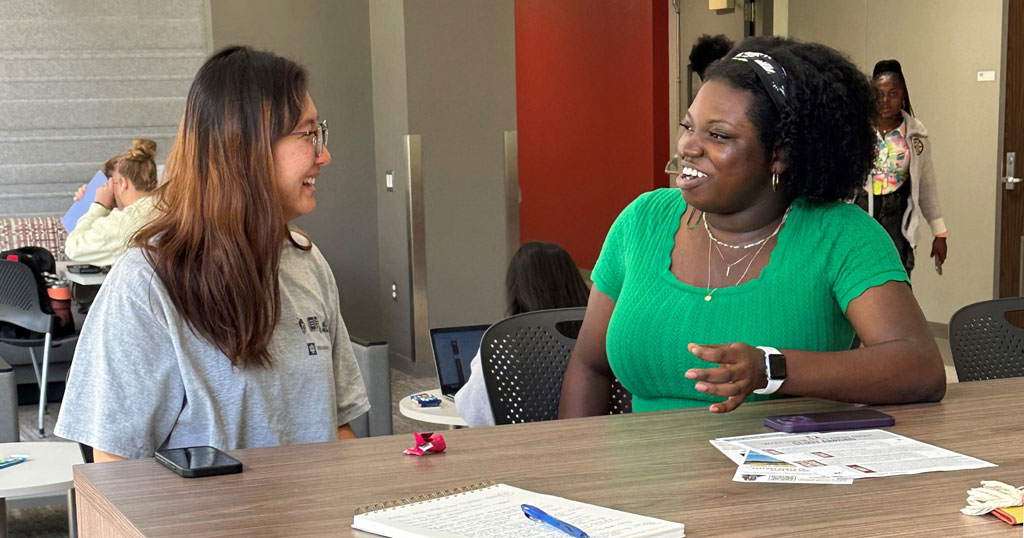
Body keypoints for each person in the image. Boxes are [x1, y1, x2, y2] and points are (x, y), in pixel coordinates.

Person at [558, 37, 946, 418]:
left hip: (788, 472)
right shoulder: (642, 220)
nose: (688, 147)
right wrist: (570, 476)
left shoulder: (840, 235)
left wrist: (772, 368)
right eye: (688, 126)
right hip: (641, 476)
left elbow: (919, 368)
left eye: (718, 135)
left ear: (780, 154)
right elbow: (588, 366)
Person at [55, 46, 369, 460]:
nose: (323, 155)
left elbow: (337, 427)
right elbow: (114, 470)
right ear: (244, 146)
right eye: (309, 134)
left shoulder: (306, 261)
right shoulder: (145, 283)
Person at [455, 241, 590, 426]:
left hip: (523, 444)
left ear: (517, 288)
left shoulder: (504, 344)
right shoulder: (598, 337)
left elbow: (474, 412)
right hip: (594, 440)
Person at [853, 59, 947, 275]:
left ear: (903, 95)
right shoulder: (858, 131)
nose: (885, 100)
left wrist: (939, 233)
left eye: (893, 93)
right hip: (860, 218)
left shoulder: (916, 136)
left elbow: (926, 186)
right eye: (879, 94)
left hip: (897, 223)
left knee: (896, 282)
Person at [64, 139, 159, 267]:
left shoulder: (122, 222)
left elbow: (73, 248)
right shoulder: (167, 206)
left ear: (123, 183)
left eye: (112, 184)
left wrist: (99, 206)